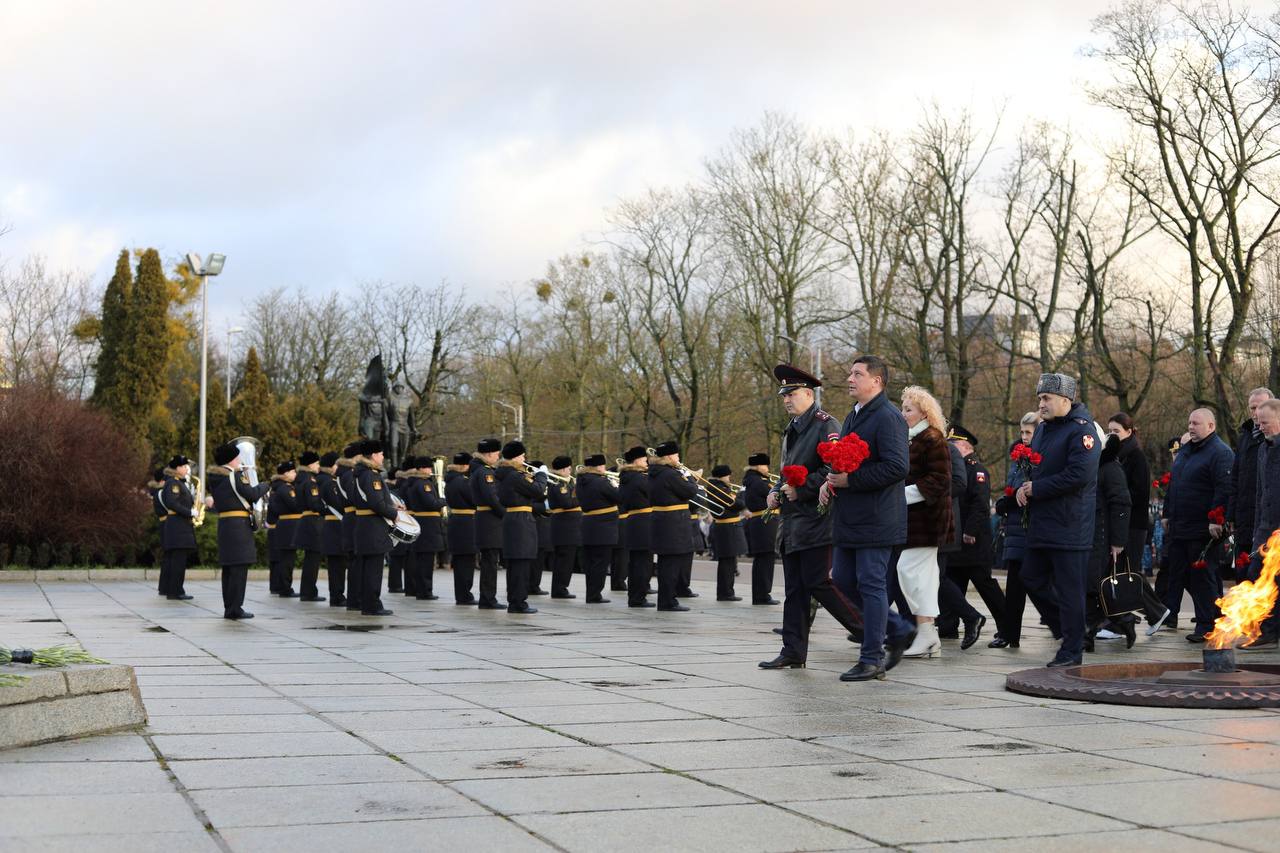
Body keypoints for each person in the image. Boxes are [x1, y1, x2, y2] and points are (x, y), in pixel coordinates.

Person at [759, 363, 865, 671]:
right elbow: (788, 469)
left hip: (817, 519)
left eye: (791, 394)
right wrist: (777, 491)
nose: (786, 400)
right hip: (793, 521)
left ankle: (871, 632)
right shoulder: (792, 429)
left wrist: (801, 488)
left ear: (808, 393)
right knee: (795, 589)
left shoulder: (825, 424)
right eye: (784, 395)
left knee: (819, 583)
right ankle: (793, 650)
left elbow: (834, 469)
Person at [821, 355, 916, 682]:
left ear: (876, 381)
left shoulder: (888, 417)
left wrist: (852, 481)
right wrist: (830, 480)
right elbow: (846, 462)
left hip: (877, 517)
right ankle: (899, 628)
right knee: (844, 580)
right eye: (850, 373)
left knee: (871, 584)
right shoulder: (854, 415)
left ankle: (872, 657)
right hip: (851, 516)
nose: (850, 378)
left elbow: (897, 467)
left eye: (857, 374)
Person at [1016, 373, 1099, 667]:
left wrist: (1037, 488)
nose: (1041, 404)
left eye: (1046, 398)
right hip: (1043, 521)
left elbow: (1080, 475)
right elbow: (1037, 467)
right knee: (1031, 578)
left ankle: (1072, 650)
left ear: (1065, 400)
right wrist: (1024, 488)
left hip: (1070, 523)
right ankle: (1068, 629)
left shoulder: (1082, 431)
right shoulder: (1043, 430)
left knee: (1069, 591)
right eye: (1040, 398)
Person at [1162, 407, 1233, 643]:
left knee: (1202, 577)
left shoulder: (1220, 453)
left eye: (1196, 423)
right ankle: (1213, 614)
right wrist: (1166, 514)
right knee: (1183, 575)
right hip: (1181, 525)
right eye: (1190, 423)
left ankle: (1206, 625)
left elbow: (1224, 488)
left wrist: (1216, 520)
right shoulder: (1185, 452)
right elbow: (1174, 484)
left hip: (1203, 529)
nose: (1191, 427)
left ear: (1211, 426)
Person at [897, 387, 953, 659]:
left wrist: (900, 497)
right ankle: (928, 635)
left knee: (910, 572)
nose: (903, 413)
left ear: (924, 412)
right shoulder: (911, 439)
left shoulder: (932, 438)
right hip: (915, 520)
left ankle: (927, 632)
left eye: (909, 409)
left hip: (928, 520)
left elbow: (940, 480)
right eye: (903, 408)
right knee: (921, 578)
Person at [944, 425, 1004, 646]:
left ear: (964, 446)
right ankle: (948, 625)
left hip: (973, 541)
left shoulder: (976, 470)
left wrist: (969, 531)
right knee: (952, 581)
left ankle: (1006, 625)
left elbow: (979, 505)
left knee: (984, 584)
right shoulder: (956, 469)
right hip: (957, 539)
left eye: (952, 445)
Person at [991, 413, 1039, 648]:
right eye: (1022, 432)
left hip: (1030, 529)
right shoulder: (1018, 457)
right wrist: (1005, 501)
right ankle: (1010, 633)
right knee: (1015, 587)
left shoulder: (1038, 458)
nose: (1024, 437)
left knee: (1035, 585)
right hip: (1016, 529)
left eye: (1028, 432)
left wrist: (1010, 501)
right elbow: (1012, 487)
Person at [207, 441, 270, 619]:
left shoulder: (217, 477)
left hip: (226, 525)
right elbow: (251, 494)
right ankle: (235, 608)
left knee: (229, 568)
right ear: (233, 459)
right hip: (238, 526)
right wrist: (265, 485)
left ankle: (229, 606)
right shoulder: (235, 476)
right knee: (239, 568)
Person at [1086, 430, 1133, 650]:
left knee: (1094, 586)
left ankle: (1120, 621)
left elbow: (1121, 504)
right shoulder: (1095, 466)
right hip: (1090, 533)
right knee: (1090, 586)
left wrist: (1118, 541)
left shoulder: (1110, 468)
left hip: (1102, 536)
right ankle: (1092, 631)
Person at [1243, 398, 1280, 650]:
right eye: (1259, 421)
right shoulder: (1263, 449)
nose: (1261, 426)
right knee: (1255, 575)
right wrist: (1258, 533)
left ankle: (1270, 631)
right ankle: (1266, 630)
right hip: (1266, 530)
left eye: (1265, 422)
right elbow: (1260, 494)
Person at [496, 441, 546, 614]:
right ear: (517, 457)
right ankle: (518, 602)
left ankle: (515, 600)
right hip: (521, 520)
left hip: (515, 518)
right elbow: (538, 490)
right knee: (521, 563)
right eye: (523, 455)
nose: (525, 459)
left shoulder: (507, 474)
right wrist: (541, 475)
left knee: (517, 563)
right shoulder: (515, 476)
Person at [648, 442, 699, 612]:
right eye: (677, 455)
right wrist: (690, 476)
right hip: (673, 523)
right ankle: (668, 601)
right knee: (671, 564)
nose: (679, 459)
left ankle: (667, 599)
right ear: (669, 457)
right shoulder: (670, 474)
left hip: (665, 521)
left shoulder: (655, 472)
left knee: (666, 563)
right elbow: (690, 491)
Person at [1229, 389, 1273, 581]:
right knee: (1243, 576)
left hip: (1267, 521)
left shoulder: (1272, 439)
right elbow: (1236, 478)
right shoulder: (1245, 436)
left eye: (1260, 407)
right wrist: (1231, 515)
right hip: (1245, 519)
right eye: (1252, 408)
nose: (1255, 413)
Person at [352, 439, 396, 616]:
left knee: (367, 567)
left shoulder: (362, 473)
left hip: (366, 526)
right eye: (381, 453)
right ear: (373, 455)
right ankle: (372, 605)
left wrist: (392, 505)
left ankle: (366, 602)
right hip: (373, 527)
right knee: (373, 569)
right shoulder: (371, 475)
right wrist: (395, 514)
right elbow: (376, 503)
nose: (383, 456)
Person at [577, 454, 621, 603]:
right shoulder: (601, 482)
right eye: (602, 466)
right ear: (598, 466)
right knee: (600, 563)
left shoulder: (581, 481)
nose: (604, 469)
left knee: (590, 562)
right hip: (603, 527)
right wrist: (615, 485)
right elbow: (619, 497)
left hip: (588, 524)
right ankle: (595, 594)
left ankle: (591, 592)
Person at [470, 438, 506, 609]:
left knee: (490, 561)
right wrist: (505, 514)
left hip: (487, 520)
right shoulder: (485, 472)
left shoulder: (482, 470)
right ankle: (488, 598)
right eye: (497, 453)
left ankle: (488, 597)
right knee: (490, 562)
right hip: (489, 521)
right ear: (490, 453)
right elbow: (492, 498)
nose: (498, 456)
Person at [402, 456, 444, 600]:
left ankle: (421, 589)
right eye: (427, 467)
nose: (430, 470)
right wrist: (444, 500)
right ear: (421, 468)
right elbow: (431, 503)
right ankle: (425, 591)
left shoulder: (416, 482)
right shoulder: (423, 484)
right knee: (426, 560)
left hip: (423, 522)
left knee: (422, 559)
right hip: (428, 524)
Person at [619, 446, 655, 607]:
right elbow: (653, 492)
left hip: (634, 521)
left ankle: (635, 596)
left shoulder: (628, 476)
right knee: (643, 563)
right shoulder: (638, 478)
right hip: (643, 522)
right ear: (636, 461)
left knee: (635, 562)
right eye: (643, 460)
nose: (646, 462)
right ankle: (638, 598)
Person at [742, 453, 780, 605]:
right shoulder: (758, 482)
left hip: (761, 522)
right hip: (765, 523)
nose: (767, 469)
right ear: (758, 466)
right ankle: (763, 595)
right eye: (765, 465)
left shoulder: (752, 481)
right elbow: (776, 498)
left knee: (762, 560)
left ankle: (761, 594)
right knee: (766, 559)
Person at [706, 464, 747, 601]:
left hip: (727, 526)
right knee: (727, 563)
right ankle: (725, 593)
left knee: (729, 561)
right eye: (728, 475)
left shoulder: (717, 487)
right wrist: (740, 496)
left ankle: (727, 591)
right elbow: (737, 504)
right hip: (727, 527)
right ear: (722, 476)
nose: (729, 478)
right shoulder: (719, 489)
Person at [158, 455, 197, 600]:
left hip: (180, 525)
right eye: (184, 466)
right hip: (177, 526)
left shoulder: (179, 482)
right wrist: (189, 512)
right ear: (177, 468)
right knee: (178, 561)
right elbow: (172, 503)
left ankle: (174, 589)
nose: (187, 468)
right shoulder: (173, 483)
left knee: (179, 560)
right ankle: (175, 591)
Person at [291, 451, 327, 602]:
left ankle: (307, 591)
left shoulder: (300, 479)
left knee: (309, 559)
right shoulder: (310, 481)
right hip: (313, 522)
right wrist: (325, 507)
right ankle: (309, 592)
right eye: (317, 463)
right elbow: (314, 503)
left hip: (305, 520)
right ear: (311, 464)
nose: (318, 466)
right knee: (313, 560)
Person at [445, 451, 478, 605]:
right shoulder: (463, 481)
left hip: (456, 521)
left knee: (459, 561)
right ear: (465, 465)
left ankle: (461, 594)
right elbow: (474, 499)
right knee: (467, 560)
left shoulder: (451, 480)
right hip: (466, 522)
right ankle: (465, 595)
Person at [547, 455, 582, 599]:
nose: (570, 470)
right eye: (568, 468)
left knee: (568, 559)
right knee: (563, 559)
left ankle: (562, 587)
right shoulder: (558, 483)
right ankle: (559, 589)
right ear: (562, 469)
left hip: (571, 526)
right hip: (564, 526)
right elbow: (566, 502)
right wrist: (581, 498)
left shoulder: (569, 482)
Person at [317, 451, 348, 607]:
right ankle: (336, 596)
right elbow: (338, 505)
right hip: (333, 526)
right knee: (336, 565)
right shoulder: (330, 484)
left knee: (339, 564)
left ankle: (338, 594)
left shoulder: (332, 482)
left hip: (336, 526)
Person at [267, 460, 300, 598]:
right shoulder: (285, 488)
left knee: (281, 559)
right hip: (288, 528)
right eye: (293, 471)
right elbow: (295, 504)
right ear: (286, 473)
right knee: (287, 559)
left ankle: (278, 586)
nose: (295, 474)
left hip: (282, 527)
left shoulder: (278, 487)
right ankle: (285, 588)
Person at [337, 443, 362, 612]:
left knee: (354, 562)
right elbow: (356, 497)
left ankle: (354, 599)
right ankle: (355, 599)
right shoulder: (349, 475)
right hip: (354, 519)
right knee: (356, 562)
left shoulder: (342, 474)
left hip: (349, 518)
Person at [526, 460, 552, 596]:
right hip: (534, 521)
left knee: (540, 557)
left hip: (544, 524)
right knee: (532, 556)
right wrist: (546, 507)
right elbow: (530, 504)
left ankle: (535, 585)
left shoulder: (544, 482)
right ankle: (529, 584)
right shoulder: (529, 482)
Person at [385, 466, 408, 594]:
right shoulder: (395, 489)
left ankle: (395, 584)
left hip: (392, 523)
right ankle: (395, 585)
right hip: (396, 522)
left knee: (395, 556)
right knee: (397, 556)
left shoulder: (389, 487)